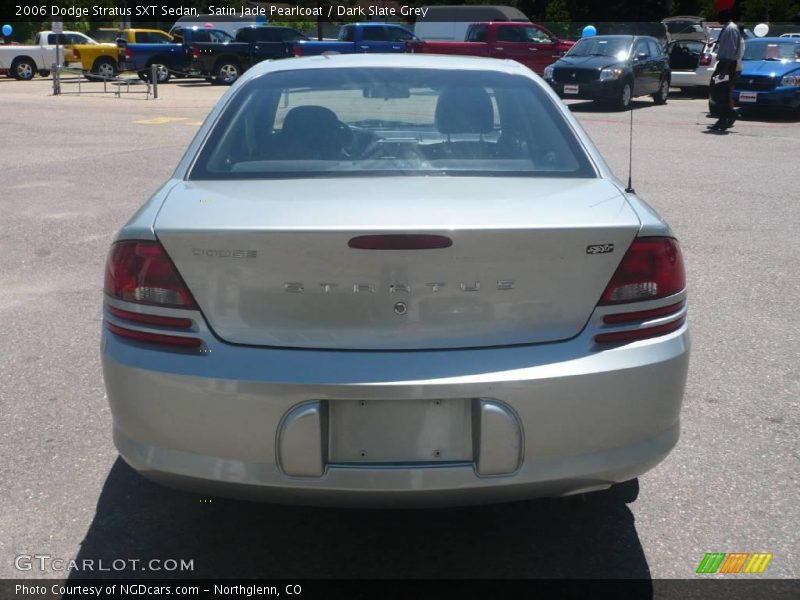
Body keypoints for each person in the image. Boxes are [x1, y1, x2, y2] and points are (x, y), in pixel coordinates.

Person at [708, 8, 743, 131]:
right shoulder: (727, 28)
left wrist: (724, 71)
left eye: (719, 17)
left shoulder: (730, 29)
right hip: (724, 63)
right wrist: (715, 42)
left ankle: (729, 114)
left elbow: (731, 51)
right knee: (720, 92)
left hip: (727, 65)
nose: (717, 19)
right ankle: (724, 118)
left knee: (719, 92)